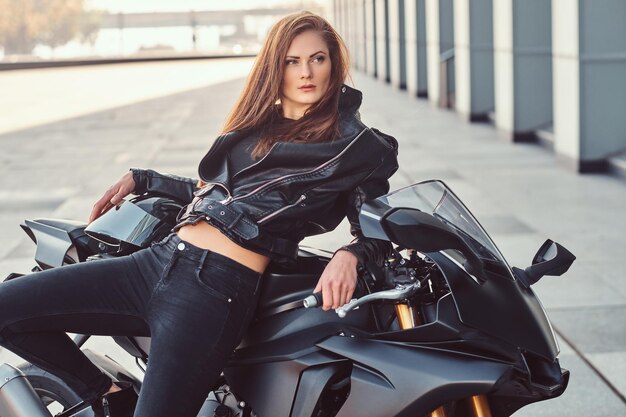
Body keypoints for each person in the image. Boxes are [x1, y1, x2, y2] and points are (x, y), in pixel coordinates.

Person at [0, 11, 398, 417]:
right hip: (156, 263)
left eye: (317, 58)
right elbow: (218, 196)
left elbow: (375, 228)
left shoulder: (359, 147)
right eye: (291, 61)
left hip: (213, 290)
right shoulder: (259, 129)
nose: (306, 72)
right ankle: (106, 393)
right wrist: (144, 178)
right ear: (274, 69)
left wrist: (351, 254)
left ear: (334, 63)